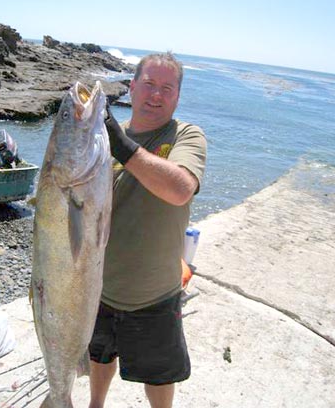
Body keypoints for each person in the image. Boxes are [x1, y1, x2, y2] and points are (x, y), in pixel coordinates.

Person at [88, 52, 207, 408]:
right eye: (149, 85)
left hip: (154, 293)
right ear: (132, 87)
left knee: (159, 375)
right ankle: (96, 403)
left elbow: (180, 188)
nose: (156, 95)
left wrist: (121, 145)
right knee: (99, 355)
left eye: (167, 88)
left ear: (178, 96)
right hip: (98, 287)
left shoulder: (187, 135)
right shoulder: (102, 141)